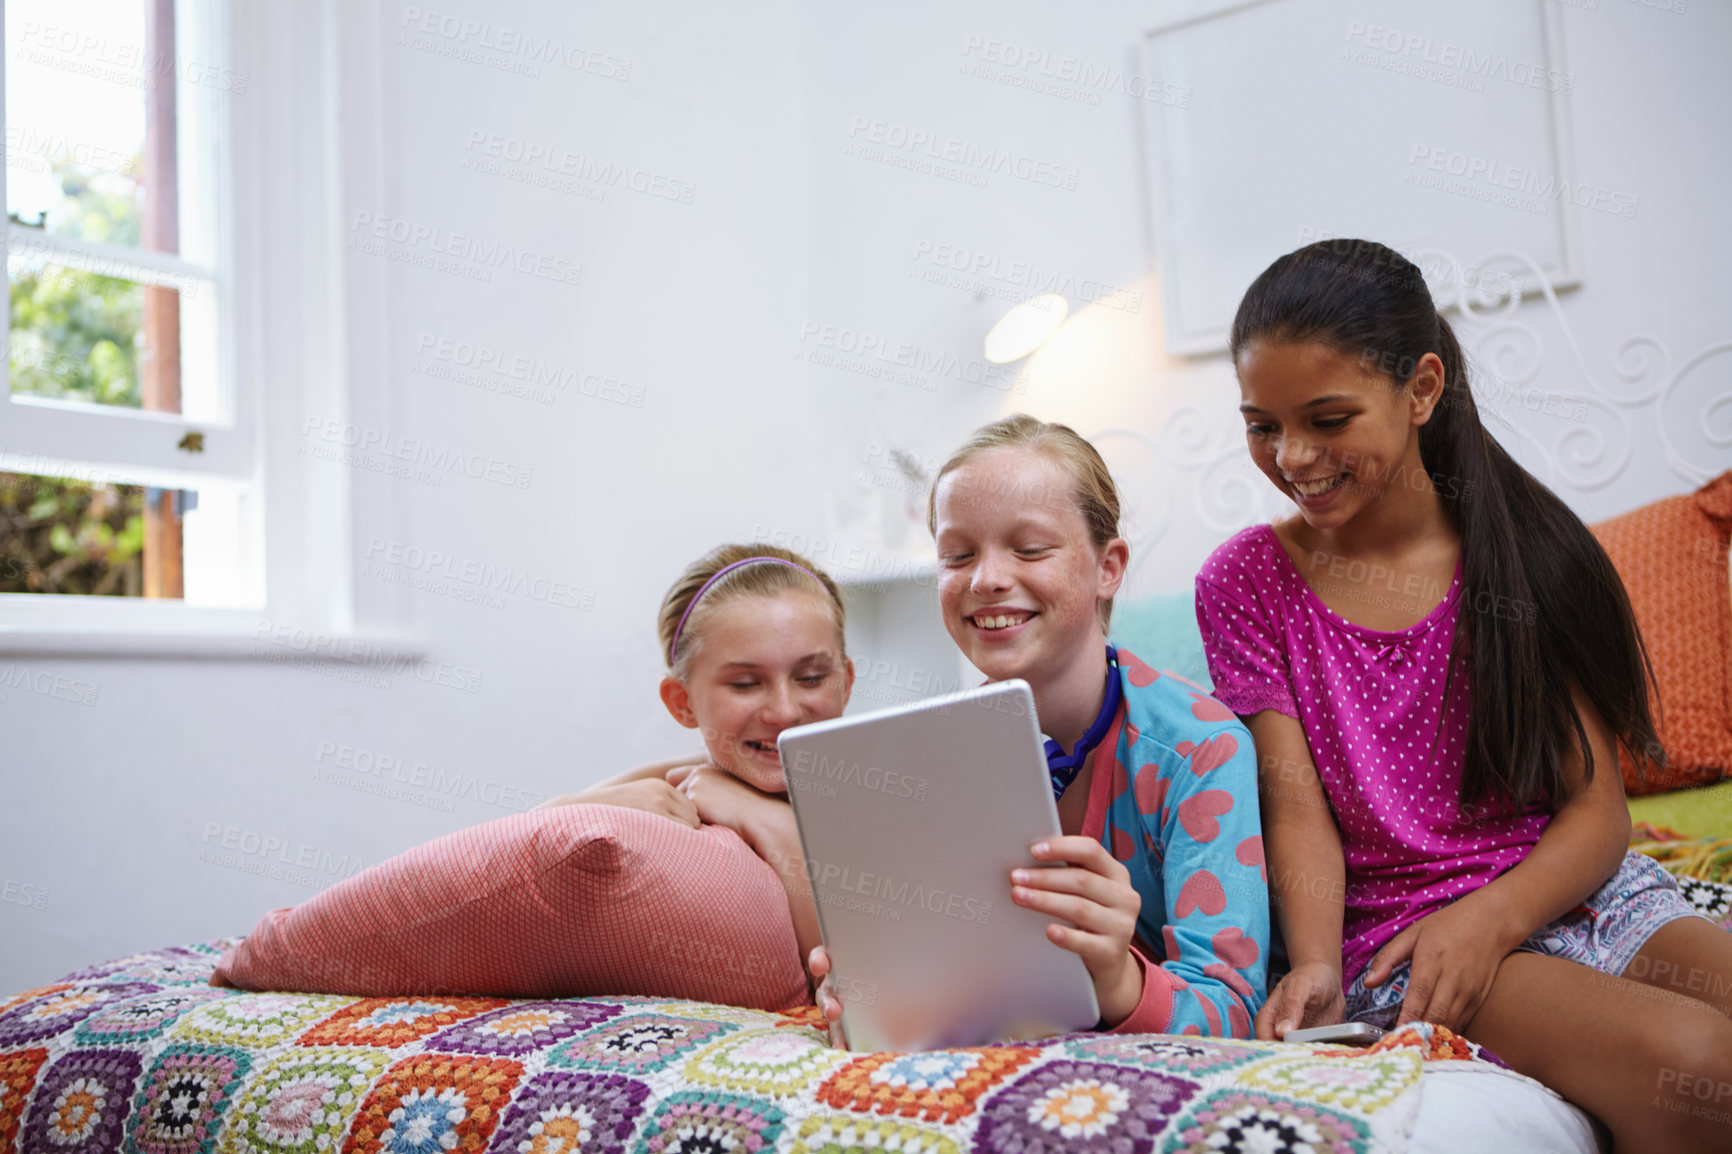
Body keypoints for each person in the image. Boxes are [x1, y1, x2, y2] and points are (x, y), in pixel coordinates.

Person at [1196, 238, 1732, 1150]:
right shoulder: (1246, 582)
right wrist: (1320, 966)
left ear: (1423, 389)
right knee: (1700, 1070)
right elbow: (1296, 813)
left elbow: (1597, 815)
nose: (1292, 455)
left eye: (1328, 419)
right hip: (1405, 940)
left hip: (1573, 892)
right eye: (1262, 425)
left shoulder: (1520, 550)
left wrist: (1494, 917)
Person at [814, 415, 1270, 1037]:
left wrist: (1116, 976)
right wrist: (876, 992)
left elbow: (1235, 1013)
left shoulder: (1201, 751)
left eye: (1029, 548)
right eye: (957, 555)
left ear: (1108, 567)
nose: (986, 578)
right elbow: (955, 983)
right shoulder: (931, 759)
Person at [541, 542, 854, 969]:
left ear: (846, 682)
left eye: (812, 677)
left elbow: (860, 967)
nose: (784, 710)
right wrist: (595, 809)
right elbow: (519, 838)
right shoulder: (675, 783)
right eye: (745, 684)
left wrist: (764, 819)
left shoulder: (884, 791)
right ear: (681, 702)